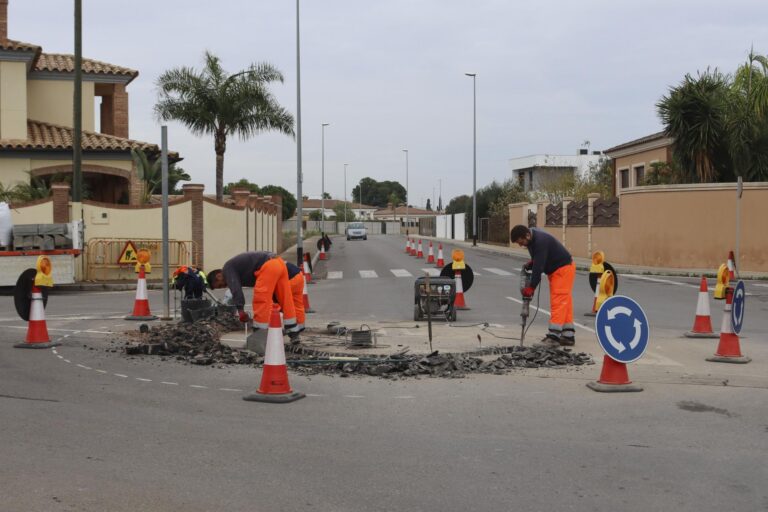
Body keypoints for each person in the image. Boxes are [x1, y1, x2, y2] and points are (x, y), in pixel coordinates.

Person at [510, 225, 576, 346]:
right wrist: (533, 262)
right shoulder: (531, 239)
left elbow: (538, 268)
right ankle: (568, 335)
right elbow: (540, 258)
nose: (521, 245)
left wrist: (532, 287)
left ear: (527, 235)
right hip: (559, 270)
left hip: (563, 270)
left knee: (558, 301)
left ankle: (553, 337)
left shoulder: (540, 241)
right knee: (564, 301)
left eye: (521, 242)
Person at [207, 251, 299, 333]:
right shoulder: (237, 268)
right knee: (284, 299)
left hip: (268, 265)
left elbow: (236, 289)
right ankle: (293, 330)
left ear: (219, 276)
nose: (224, 286)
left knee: (260, 299)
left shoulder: (227, 269)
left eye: (220, 285)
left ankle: (259, 332)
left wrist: (240, 310)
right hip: (279, 263)